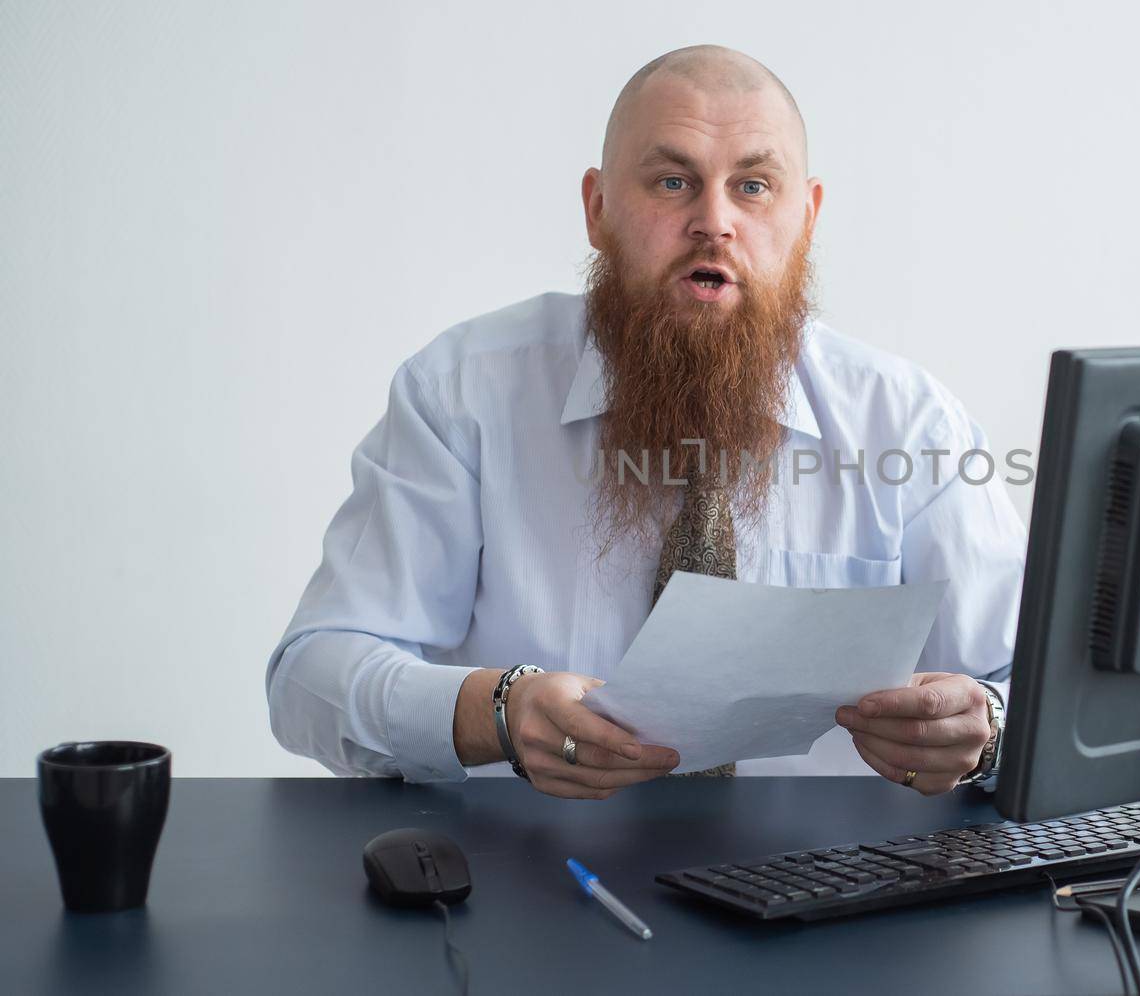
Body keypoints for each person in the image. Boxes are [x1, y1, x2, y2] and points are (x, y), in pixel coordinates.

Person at [266, 44, 1026, 800]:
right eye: (672, 182)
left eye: (754, 186)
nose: (714, 223)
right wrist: (496, 711)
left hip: (827, 894)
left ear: (807, 217)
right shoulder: (463, 393)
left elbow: (1035, 687)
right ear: (597, 209)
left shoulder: (911, 423)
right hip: (534, 884)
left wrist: (985, 727)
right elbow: (311, 678)